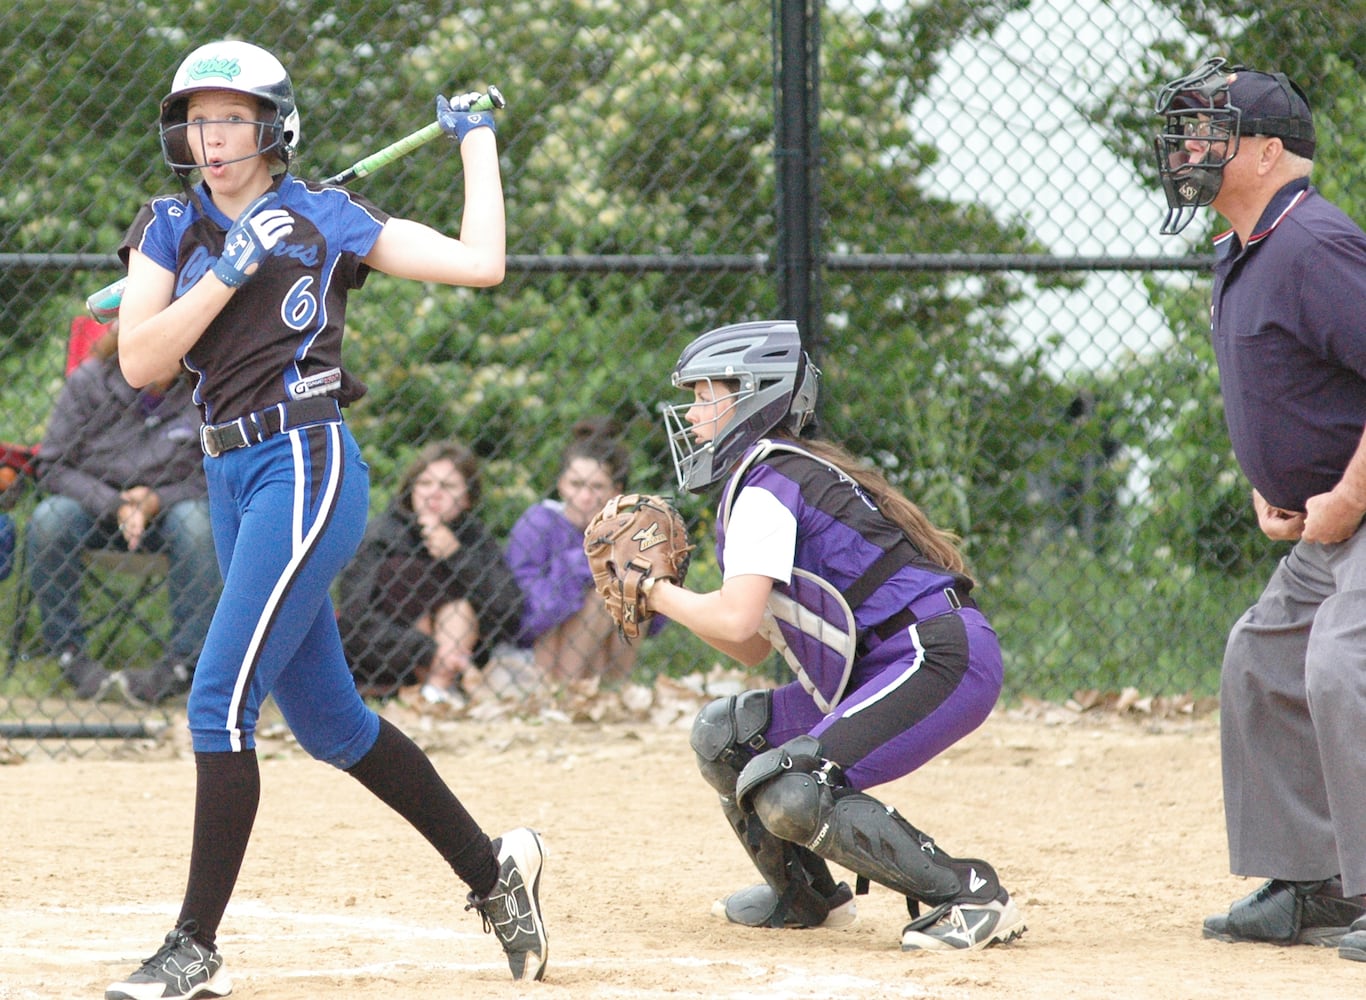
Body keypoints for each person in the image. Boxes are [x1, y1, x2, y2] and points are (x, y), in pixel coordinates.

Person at [107, 39, 547, 997]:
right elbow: (139, 363)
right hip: (226, 473)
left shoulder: (324, 215)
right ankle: (494, 872)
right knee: (331, 722)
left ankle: (193, 946)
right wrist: (227, 268)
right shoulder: (170, 225)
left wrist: (475, 143)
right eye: (198, 119)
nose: (211, 136)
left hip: (307, 462)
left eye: (231, 118)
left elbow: (482, 265)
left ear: (271, 128)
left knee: (220, 698)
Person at [642, 318, 1026, 951]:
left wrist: (657, 593)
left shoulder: (767, 486)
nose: (693, 412)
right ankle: (806, 897)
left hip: (935, 657)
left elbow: (737, 620)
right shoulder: (764, 478)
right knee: (725, 735)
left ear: (753, 397)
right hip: (887, 662)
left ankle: (970, 893)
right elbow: (752, 644)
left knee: (794, 789)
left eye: (707, 394)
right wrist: (669, 598)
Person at [1153, 58, 1366, 960]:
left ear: (1270, 152)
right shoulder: (1246, 250)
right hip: (1326, 523)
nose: (1188, 148)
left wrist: (1349, 493)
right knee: (1260, 658)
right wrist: (1273, 485)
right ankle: (1312, 883)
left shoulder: (1313, 244)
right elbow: (1288, 386)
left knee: (1340, 665)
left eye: (1211, 132)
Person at [26, 319, 218, 703]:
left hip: (171, 513)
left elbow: (215, 474)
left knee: (199, 524)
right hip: (92, 509)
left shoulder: (205, 391)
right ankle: (69, 656)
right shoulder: (88, 382)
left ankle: (183, 664)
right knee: (50, 518)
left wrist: (153, 501)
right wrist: (116, 504)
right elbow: (52, 466)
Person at [338, 439, 523, 707]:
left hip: (463, 648)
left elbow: (509, 609)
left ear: (468, 497)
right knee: (406, 573)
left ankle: (435, 691)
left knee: (457, 608)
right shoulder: (381, 535)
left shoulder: (474, 538)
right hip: (389, 657)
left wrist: (457, 556)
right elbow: (355, 616)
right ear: (410, 489)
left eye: (447, 486)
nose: (434, 493)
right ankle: (437, 687)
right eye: (425, 483)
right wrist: (428, 651)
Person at [505, 417, 649, 683]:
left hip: (594, 649)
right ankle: (567, 691)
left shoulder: (624, 531)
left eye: (597, 487)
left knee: (627, 593)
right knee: (600, 595)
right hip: (534, 647)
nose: (585, 497)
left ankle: (608, 690)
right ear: (561, 484)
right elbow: (536, 614)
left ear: (615, 491)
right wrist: (586, 562)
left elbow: (653, 616)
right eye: (576, 484)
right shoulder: (538, 522)